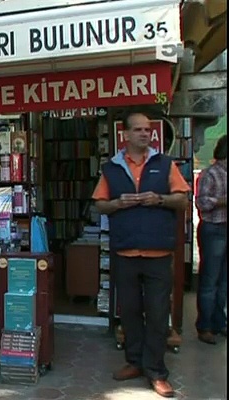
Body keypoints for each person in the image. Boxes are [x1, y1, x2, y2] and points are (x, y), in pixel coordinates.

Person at [92, 111, 190, 398]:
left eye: (148, 130)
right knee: (131, 312)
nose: (145, 134)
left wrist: (158, 199)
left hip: (158, 251)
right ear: (126, 135)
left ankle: (157, 372)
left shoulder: (164, 163)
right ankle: (134, 362)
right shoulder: (112, 168)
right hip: (126, 250)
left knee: (159, 315)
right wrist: (118, 203)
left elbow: (183, 200)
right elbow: (100, 205)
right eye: (138, 130)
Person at [195, 135, 227, 344]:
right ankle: (205, 325)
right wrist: (222, 201)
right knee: (210, 279)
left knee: (224, 281)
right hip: (214, 229)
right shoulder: (210, 174)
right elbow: (201, 202)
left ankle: (219, 322)